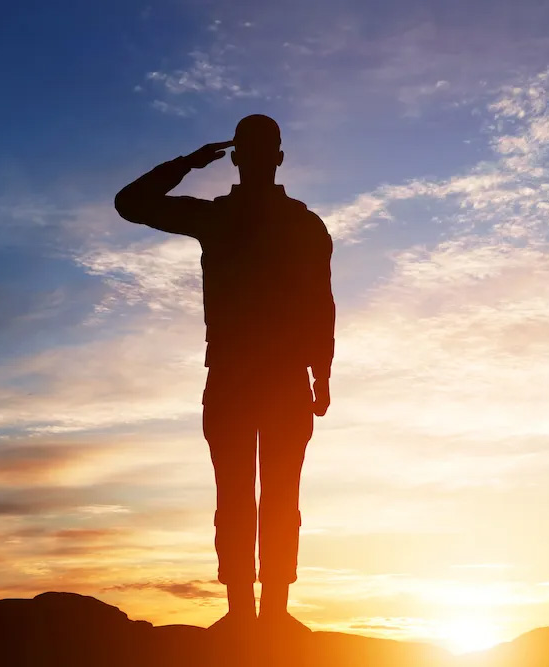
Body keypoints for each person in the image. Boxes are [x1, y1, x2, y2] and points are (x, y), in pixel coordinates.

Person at [114, 115, 335, 634]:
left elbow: (131, 202)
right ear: (277, 157)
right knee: (266, 494)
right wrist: (321, 374)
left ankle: (258, 612)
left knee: (247, 494)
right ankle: (256, 612)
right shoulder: (293, 223)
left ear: (237, 157)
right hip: (265, 380)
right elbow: (321, 306)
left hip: (249, 379)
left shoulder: (229, 219)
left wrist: (190, 162)